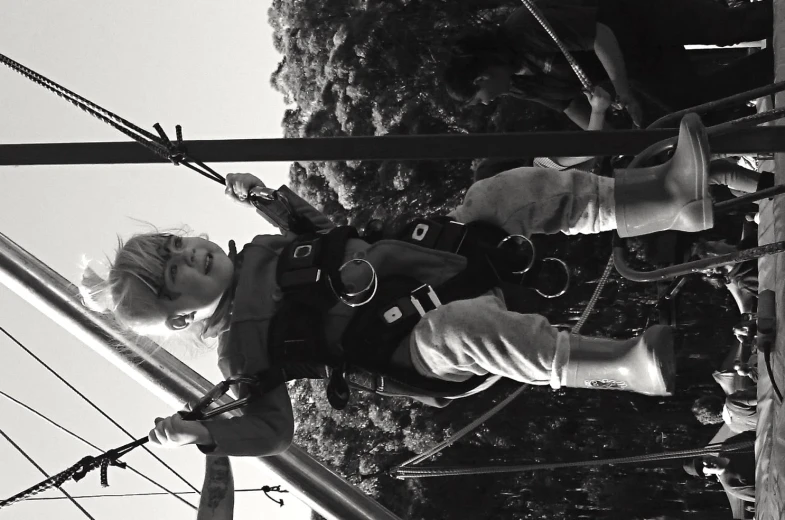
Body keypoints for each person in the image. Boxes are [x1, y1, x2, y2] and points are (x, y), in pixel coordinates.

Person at [86, 114, 718, 457]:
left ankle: (665, 198)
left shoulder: (262, 249)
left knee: (501, 192)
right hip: (413, 346)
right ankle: (623, 366)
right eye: (177, 274)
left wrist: (265, 199)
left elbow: (322, 233)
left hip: (432, 261)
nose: (191, 253)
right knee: (460, 331)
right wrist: (204, 433)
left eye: (177, 244)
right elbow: (273, 432)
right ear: (179, 319)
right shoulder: (239, 353)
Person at [444, 0, 773, 128]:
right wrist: (602, 134)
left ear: (480, 77)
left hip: (638, 19)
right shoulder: (519, 85)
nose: (486, 102)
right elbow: (568, 105)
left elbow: (600, 36)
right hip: (638, 65)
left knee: (730, 29)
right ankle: (776, 66)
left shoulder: (523, 29)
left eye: (479, 98)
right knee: (694, 106)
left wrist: (621, 91)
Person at [683, 431, 756, 504]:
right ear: (707, 474)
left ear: (705, 454)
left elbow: (760, 431)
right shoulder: (732, 485)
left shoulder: (730, 444)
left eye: (701, 459)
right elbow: (761, 495)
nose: (705, 462)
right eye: (702, 467)